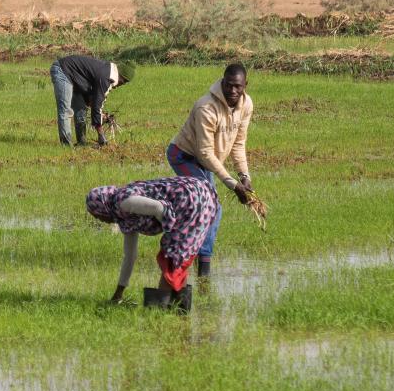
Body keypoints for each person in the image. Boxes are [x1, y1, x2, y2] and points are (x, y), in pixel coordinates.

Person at [167, 62, 254, 281]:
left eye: (238, 86)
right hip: (184, 157)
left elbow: (238, 143)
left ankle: (193, 258)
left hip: (206, 163)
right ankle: (200, 266)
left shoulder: (246, 105)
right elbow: (205, 152)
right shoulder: (206, 107)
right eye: (228, 85)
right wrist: (231, 183)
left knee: (207, 207)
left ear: (245, 85)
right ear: (222, 82)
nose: (232, 91)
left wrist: (244, 176)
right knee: (212, 207)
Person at [85, 176, 217, 305]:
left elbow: (158, 208)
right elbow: (130, 256)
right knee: (178, 258)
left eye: (97, 215)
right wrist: (119, 293)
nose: (100, 220)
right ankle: (179, 309)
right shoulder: (123, 217)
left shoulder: (123, 203)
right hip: (190, 199)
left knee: (171, 256)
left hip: (190, 197)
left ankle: (160, 309)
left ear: (102, 206)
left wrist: (171, 233)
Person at [50, 54, 133, 146]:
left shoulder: (107, 72)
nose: (119, 86)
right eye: (123, 83)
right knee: (66, 110)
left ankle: (82, 143)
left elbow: (93, 101)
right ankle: (66, 145)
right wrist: (100, 133)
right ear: (122, 78)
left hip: (76, 77)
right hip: (63, 70)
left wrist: (101, 115)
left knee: (81, 111)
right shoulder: (106, 77)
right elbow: (97, 105)